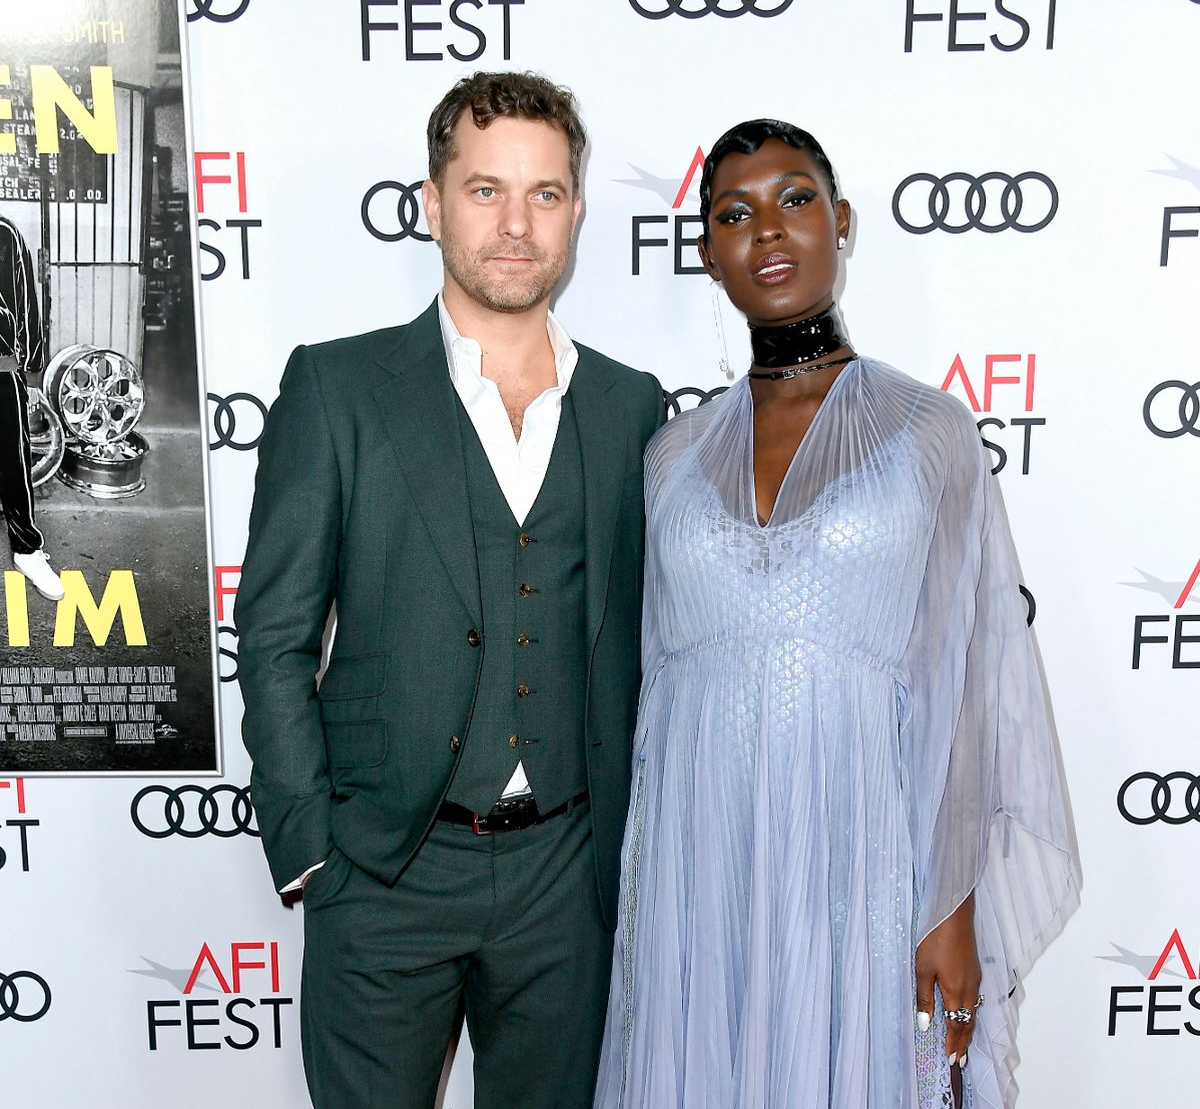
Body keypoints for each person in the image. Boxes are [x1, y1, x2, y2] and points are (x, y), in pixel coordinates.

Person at [594, 120, 1076, 1109]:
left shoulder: (928, 430)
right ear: (709, 255)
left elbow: (969, 679)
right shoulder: (671, 457)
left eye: (795, 198)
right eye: (736, 213)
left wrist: (951, 906)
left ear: (842, 222)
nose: (769, 230)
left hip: (863, 854)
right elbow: (652, 696)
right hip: (703, 857)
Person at [235, 71, 662, 1109]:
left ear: (576, 210)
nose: (516, 224)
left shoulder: (633, 406)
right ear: (431, 204)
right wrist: (310, 854)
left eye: (545, 194)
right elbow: (274, 632)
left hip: (568, 880)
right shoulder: (336, 390)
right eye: (485, 191)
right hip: (384, 872)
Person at [0, 214, 64, 601]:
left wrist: (35, 373)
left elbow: (26, 304)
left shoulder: (4, 234)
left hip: (0, 367)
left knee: (13, 460)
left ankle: (27, 550)